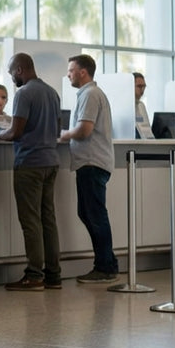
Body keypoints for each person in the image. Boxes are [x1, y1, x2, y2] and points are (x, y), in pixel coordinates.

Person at [0, 53, 62, 291]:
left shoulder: (24, 93)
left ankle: (34, 275)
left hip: (30, 163)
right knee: (48, 219)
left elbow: (15, 132)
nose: (10, 78)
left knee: (30, 221)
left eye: (10, 73)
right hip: (51, 161)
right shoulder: (52, 93)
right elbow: (57, 129)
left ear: (19, 70)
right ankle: (53, 275)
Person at [58, 55, 118, 284]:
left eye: (71, 70)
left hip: (92, 162)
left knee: (95, 215)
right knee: (88, 213)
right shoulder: (89, 94)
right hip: (90, 162)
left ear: (83, 72)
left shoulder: (90, 94)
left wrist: (65, 134)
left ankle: (104, 266)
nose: (68, 74)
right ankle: (107, 262)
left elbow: (84, 130)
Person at [134, 72, 154, 138]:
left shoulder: (141, 105)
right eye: (139, 86)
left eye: (144, 86)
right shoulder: (124, 108)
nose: (142, 90)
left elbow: (147, 127)